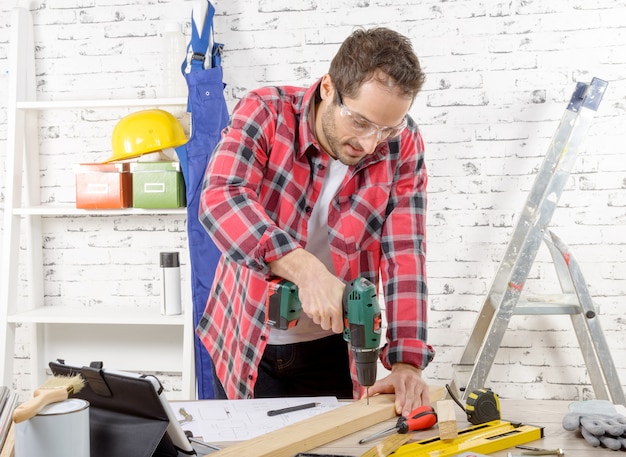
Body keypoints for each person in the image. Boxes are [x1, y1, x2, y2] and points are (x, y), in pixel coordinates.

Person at [196, 26, 435, 417]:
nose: (371, 143)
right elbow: (220, 198)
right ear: (328, 88)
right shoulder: (267, 112)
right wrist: (306, 270)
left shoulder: (403, 143)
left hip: (334, 350)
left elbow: (405, 252)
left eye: (386, 128)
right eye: (360, 122)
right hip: (244, 336)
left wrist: (407, 361)